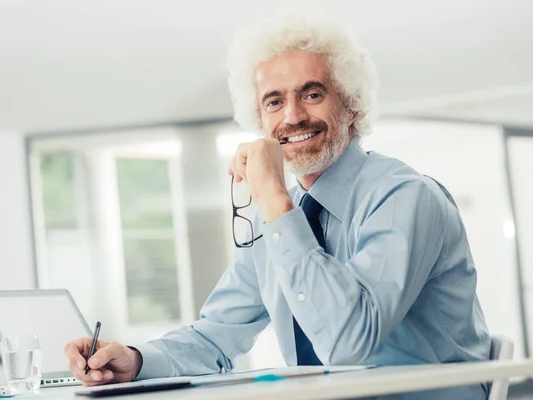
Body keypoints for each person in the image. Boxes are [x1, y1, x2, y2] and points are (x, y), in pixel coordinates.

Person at [64, 9, 491, 399]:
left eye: (312, 94)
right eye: (274, 101)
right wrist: (135, 361)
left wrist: (274, 198)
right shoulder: (280, 217)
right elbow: (216, 336)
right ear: (260, 121)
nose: (291, 117)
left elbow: (349, 342)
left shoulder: (404, 196)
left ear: (352, 106)